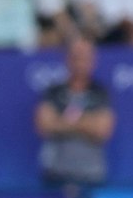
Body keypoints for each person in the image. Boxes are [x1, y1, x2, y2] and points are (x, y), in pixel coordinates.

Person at [35, 35, 113, 187]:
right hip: (56, 174)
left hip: (91, 175)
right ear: (68, 59)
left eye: (85, 58)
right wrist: (87, 122)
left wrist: (63, 121)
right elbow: (44, 126)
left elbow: (102, 130)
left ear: (93, 61)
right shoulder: (53, 92)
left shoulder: (100, 94)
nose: (80, 63)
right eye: (76, 57)